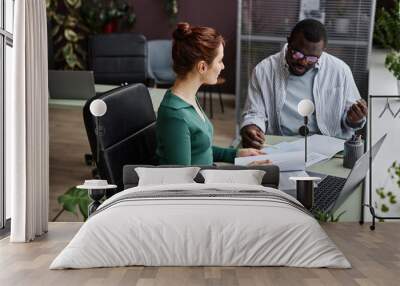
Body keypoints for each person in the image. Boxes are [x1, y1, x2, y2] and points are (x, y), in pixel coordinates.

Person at [240, 19, 368, 149]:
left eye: (312, 58)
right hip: (279, 146)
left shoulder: (340, 71)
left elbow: (352, 122)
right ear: (289, 41)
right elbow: (254, 113)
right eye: (298, 54)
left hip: (328, 148)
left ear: (322, 52)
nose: (303, 62)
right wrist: (252, 127)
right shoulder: (264, 71)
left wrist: (354, 119)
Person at [156, 22, 268, 165]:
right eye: (219, 61)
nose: (223, 66)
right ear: (202, 67)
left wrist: (237, 154)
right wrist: (240, 173)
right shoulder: (175, 115)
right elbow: (182, 180)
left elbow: (200, 149)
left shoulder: (189, 99)